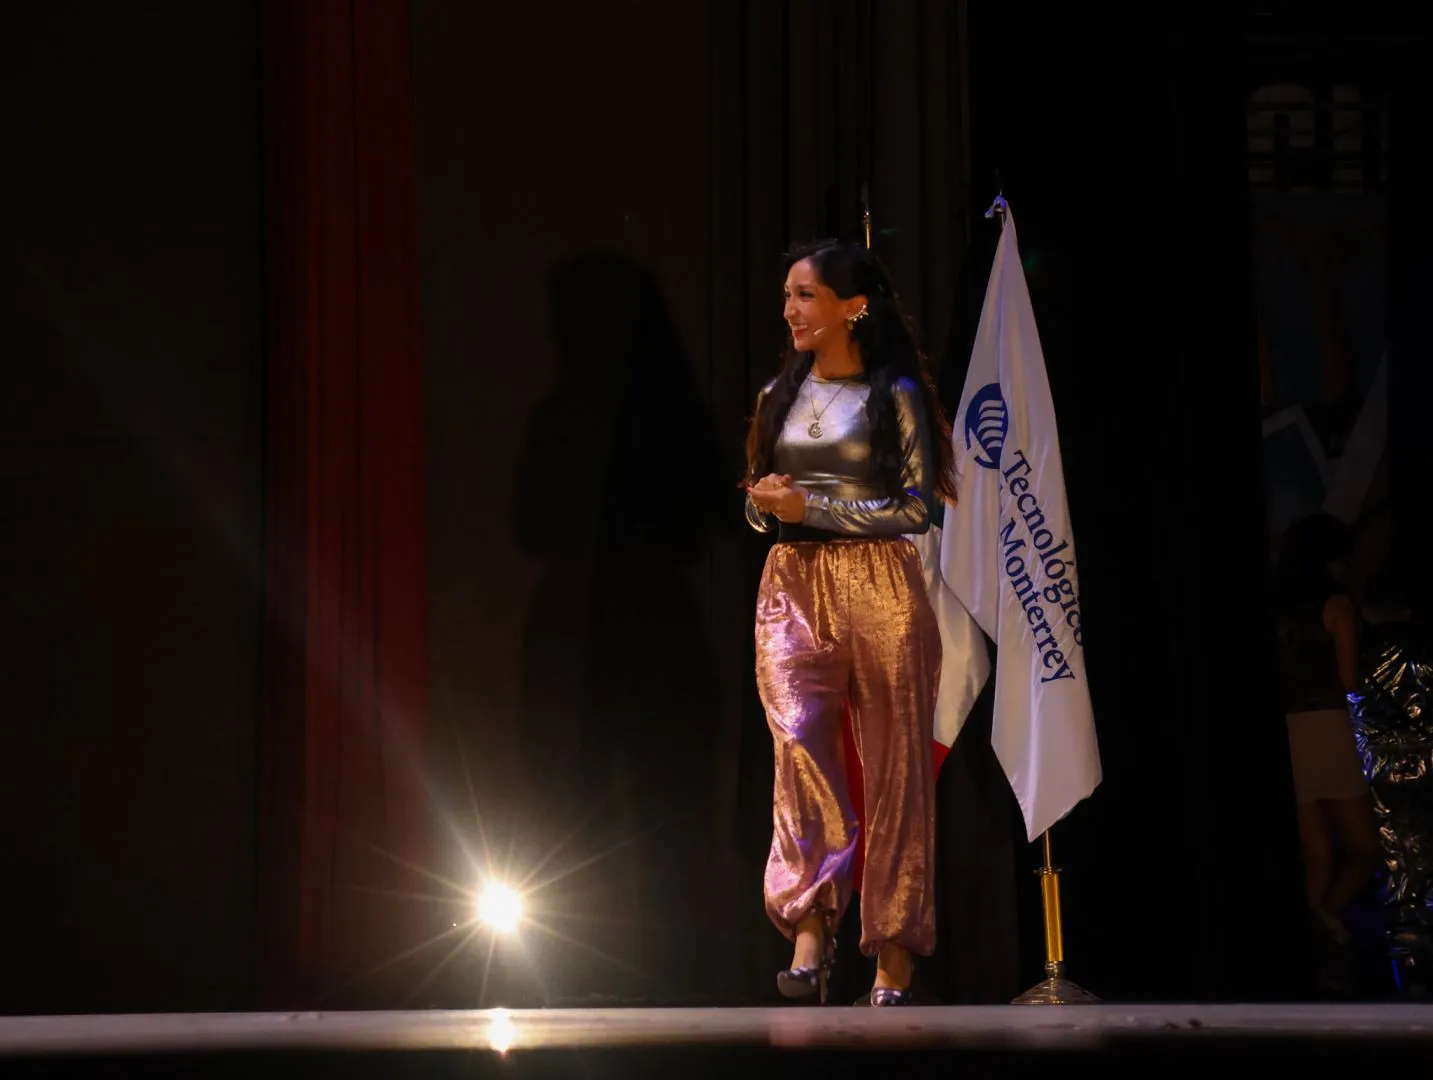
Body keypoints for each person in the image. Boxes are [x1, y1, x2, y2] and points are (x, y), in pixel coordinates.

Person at [742, 238, 957, 1006]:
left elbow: (918, 507)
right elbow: (758, 501)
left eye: (805, 295)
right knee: (798, 749)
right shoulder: (778, 391)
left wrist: (814, 507)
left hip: (881, 586)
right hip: (791, 586)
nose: (790, 309)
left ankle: (893, 950)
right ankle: (810, 926)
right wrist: (767, 505)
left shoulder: (891, 393)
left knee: (896, 762)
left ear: (851, 306)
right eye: (788, 295)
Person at [1273, 512, 1380, 990]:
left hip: (1287, 731)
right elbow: (1349, 679)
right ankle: (1325, 928)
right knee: (1363, 849)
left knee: (1315, 856)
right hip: (1326, 727)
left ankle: (1312, 954)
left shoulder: (1278, 605)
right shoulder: (1337, 603)